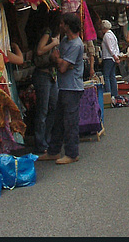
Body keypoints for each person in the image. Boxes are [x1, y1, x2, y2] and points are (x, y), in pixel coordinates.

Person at [38, 13, 84, 164]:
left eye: (63, 24)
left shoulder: (76, 44)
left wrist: (57, 59)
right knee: (58, 121)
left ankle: (72, 153)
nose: (60, 26)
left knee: (70, 122)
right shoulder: (65, 41)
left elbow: (63, 67)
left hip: (72, 88)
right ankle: (54, 151)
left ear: (68, 26)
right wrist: (60, 60)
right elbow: (63, 63)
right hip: (63, 86)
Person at [31, 22, 60, 155]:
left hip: (51, 74)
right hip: (43, 74)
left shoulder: (55, 34)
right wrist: (54, 43)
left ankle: (47, 140)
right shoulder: (48, 32)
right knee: (43, 110)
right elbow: (40, 50)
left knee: (53, 107)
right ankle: (41, 143)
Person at [99, 19, 120, 100]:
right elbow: (115, 46)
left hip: (108, 57)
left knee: (107, 76)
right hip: (113, 58)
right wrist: (116, 56)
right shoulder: (112, 34)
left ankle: (109, 93)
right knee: (112, 76)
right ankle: (115, 93)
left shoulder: (107, 36)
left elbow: (110, 47)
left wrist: (114, 56)